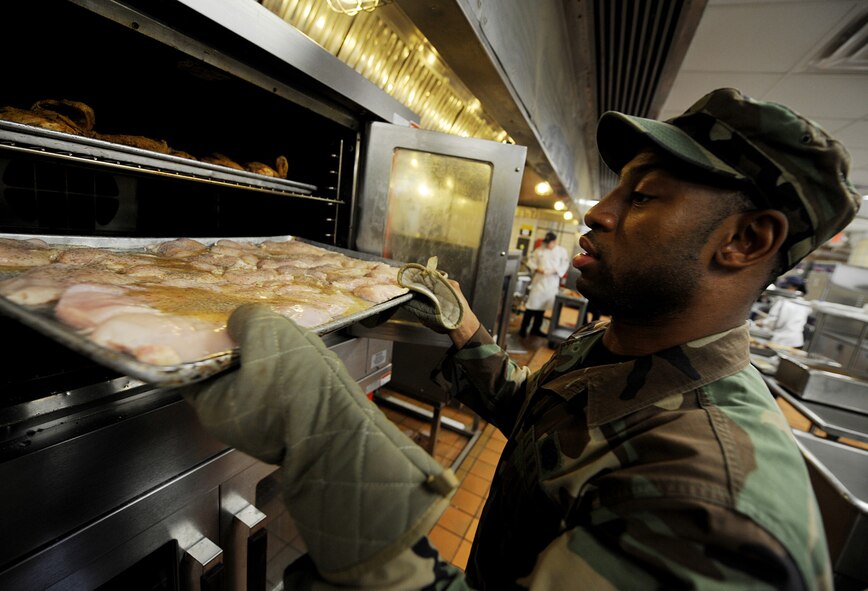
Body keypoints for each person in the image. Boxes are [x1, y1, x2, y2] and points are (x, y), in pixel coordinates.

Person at [178, 88, 860, 590]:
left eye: (645, 196)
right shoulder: (618, 349)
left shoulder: (706, 505)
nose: (598, 213)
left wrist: (331, 445)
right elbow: (537, 413)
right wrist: (460, 322)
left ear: (745, 239)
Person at [519, 231, 570, 337]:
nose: (547, 244)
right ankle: (523, 329)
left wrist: (555, 270)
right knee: (531, 306)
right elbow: (531, 261)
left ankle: (535, 329)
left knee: (542, 308)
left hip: (551, 283)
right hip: (539, 282)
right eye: (546, 242)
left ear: (555, 241)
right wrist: (536, 268)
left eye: (549, 242)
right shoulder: (539, 251)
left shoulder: (561, 251)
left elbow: (565, 264)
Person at [759, 275, 812, 347]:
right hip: (796, 342)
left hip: (781, 342)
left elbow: (774, 322)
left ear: (794, 287)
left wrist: (762, 323)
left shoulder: (783, 302)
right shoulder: (804, 304)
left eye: (786, 286)